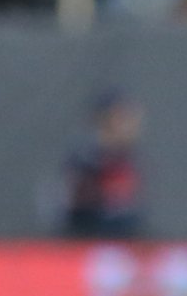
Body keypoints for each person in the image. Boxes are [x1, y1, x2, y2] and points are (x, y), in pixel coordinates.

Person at [62, 89, 145, 239]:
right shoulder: (86, 158)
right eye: (122, 117)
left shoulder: (129, 158)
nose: (130, 125)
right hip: (89, 238)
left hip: (124, 239)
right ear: (105, 120)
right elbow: (78, 210)